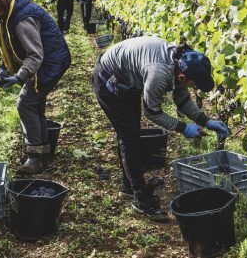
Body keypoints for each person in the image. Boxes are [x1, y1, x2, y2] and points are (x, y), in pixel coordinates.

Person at [92, 36, 229, 221]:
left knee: (131, 132)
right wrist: (183, 128)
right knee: (129, 137)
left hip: (127, 79)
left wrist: (206, 121)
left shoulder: (179, 63)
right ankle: (141, 198)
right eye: (193, 84)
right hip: (108, 80)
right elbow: (152, 112)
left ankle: (128, 185)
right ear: (182, 77)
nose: (194, 87)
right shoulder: (159, 73)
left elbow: (183, 100)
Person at [0, 0, 71, 174]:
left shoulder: (22, 17)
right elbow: (8, 44)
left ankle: (34, 158)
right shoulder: (7, 10)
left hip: (51, 62)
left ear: (0, 0)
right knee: (35, 104)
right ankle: (44, 154)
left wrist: (19, 77)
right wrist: (4, 67)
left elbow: (35, 55)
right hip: (45, 61)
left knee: (25, 104)